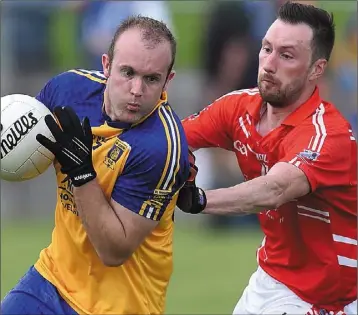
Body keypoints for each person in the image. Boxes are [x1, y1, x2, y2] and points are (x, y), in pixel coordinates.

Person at [1, 16, 189, 315]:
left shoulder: (160, 146)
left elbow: (113, 250)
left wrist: (81, 172)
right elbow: (22, 143)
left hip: (118, 305)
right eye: (127, 72)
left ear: (168, 80)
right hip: (51, 279)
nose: (137, 89)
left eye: (151, 78)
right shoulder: (68, 91)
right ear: (106, 65)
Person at [177, 2, 357, 314]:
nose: (269, 64)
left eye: (286, 55)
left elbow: (273, 190)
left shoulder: (327, 134)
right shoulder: (238, 107)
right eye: (266, 48)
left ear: (317, 68)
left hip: (328, 295)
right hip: (271, 276)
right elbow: (171, 139)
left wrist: (199, 199)